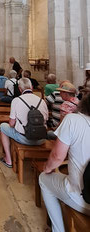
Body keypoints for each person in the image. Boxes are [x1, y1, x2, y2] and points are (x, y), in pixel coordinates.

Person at [39, 92, 90, 232]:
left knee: (43, 179)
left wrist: (47, 168)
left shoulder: (74, 120)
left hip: (83, 198)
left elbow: (57, 157)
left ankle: (58, 230)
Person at [0, 78, 48, 168]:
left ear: (20, 89)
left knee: (3, 126)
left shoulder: (16, 100)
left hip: (24, 138)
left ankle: (9, 160)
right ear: (32, 87)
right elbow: (46, 120)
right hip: (41, 138)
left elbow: (11, 124)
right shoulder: (42, 101)